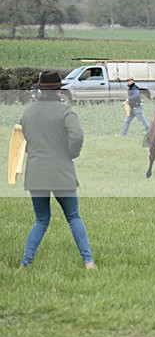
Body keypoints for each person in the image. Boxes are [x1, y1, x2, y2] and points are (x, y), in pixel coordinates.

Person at [19, 71, 96, 270]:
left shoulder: (27, 112)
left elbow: (26, 140)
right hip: (61, 171)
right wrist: (71, 153)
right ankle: (88, 261)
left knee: (41, 220)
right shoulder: (65, 112)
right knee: (73, 217)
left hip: (36, 172)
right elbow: (77, 136)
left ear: (40, 88)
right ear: (59, 89)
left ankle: (25, 264)